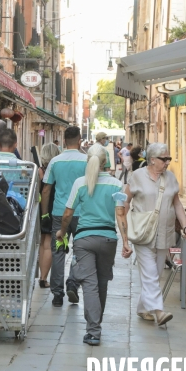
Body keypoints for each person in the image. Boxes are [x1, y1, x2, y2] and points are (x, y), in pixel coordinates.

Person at [57, 145, 132, 346]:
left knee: (89, 284)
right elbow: (121, 214)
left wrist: (61, 233)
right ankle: (96, 323)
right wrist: (126, 241)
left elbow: (67, 214)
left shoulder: (80, 183)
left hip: (84, 240)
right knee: (102, 282)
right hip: (108, 239)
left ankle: (93, 331)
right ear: (106, 162)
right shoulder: (117, 185)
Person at [124, 143, 186, 326]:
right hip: (143, 233)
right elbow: (125, 201)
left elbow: (177, 204)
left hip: (165, 232)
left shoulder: (170, 178)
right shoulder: (137, 176)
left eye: (168, 159)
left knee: (157, 273)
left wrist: (185, 228)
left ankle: (143, 308)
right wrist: (124, 229)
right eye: (164, 159)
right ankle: (159, 312)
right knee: (150, 274)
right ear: (152, 160)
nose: (167, 162)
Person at [41, 126, 87, 307]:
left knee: (58, 251)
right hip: (81, 214)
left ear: (64, 139)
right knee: (81, 251)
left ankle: (57, 293)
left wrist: (45, 213)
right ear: (79, 140)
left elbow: (46, 189)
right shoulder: (87, 161)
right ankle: (73, 284)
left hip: (59, 214)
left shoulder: (55, 161)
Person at [38, 143, 62, 288]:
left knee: (42, 244)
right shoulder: (57, 170)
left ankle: (42, 275)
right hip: (53, 208)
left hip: (41, 209)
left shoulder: (40, 171)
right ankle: (43, 278)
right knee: (48, 245)